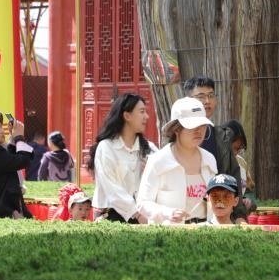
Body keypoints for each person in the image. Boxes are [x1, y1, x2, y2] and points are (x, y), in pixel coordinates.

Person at [137, 97, 217, 224]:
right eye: (192, 126)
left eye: (202, 125)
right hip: (170, 232)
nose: (199, 131)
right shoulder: (158, 161)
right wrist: (168, 213)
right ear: (176, 129)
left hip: (205, 230)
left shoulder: (209, 159)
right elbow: (142, 203)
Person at [182, 76, 246, 219]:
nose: (207, 101)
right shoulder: (178, 138)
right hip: (183, 216)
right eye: (201, 97)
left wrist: (239, 215)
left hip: (217, 216)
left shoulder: (223, 137)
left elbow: (233, 178)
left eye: (211, 95)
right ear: (188, 100)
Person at [91, 93, 155, 223]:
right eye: (142, 112)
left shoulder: (149, 148)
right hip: (113, 216)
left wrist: (151, 171)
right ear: (127, 116)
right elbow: (112, 189)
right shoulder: (106, 147)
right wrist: (137, 215)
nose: (146, 116)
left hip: (144, 214)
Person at [223, 119, 257, 214]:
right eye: (232, 148)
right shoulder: (214, 162)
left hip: (239, 216)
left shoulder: (242, 163)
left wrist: (249, 200)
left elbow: (249, 189)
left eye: (239, 149)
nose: (235, 152)